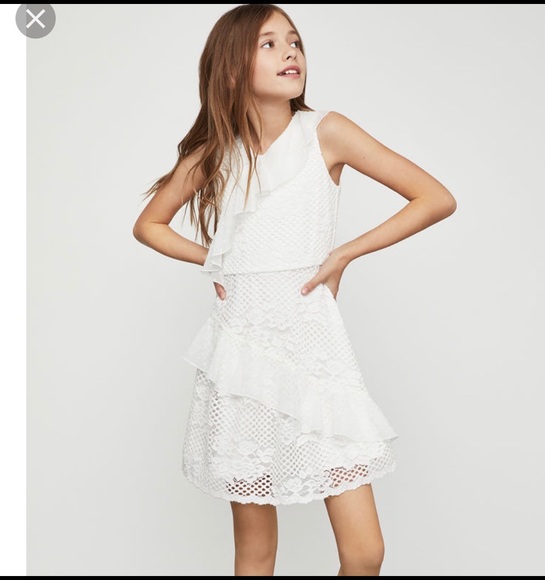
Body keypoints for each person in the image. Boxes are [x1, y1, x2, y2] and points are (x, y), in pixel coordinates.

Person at [133, 3, 456, 576]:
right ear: (232, 67)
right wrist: (219, 261)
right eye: (269, 43)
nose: (290, 53)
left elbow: (435, 198)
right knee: (256, 554)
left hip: (313, 353)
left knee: (364, 553)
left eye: (295, 42)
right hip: (241, 358)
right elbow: (149, 225)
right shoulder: (217, 152)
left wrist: (344, 253)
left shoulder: (325, 132)